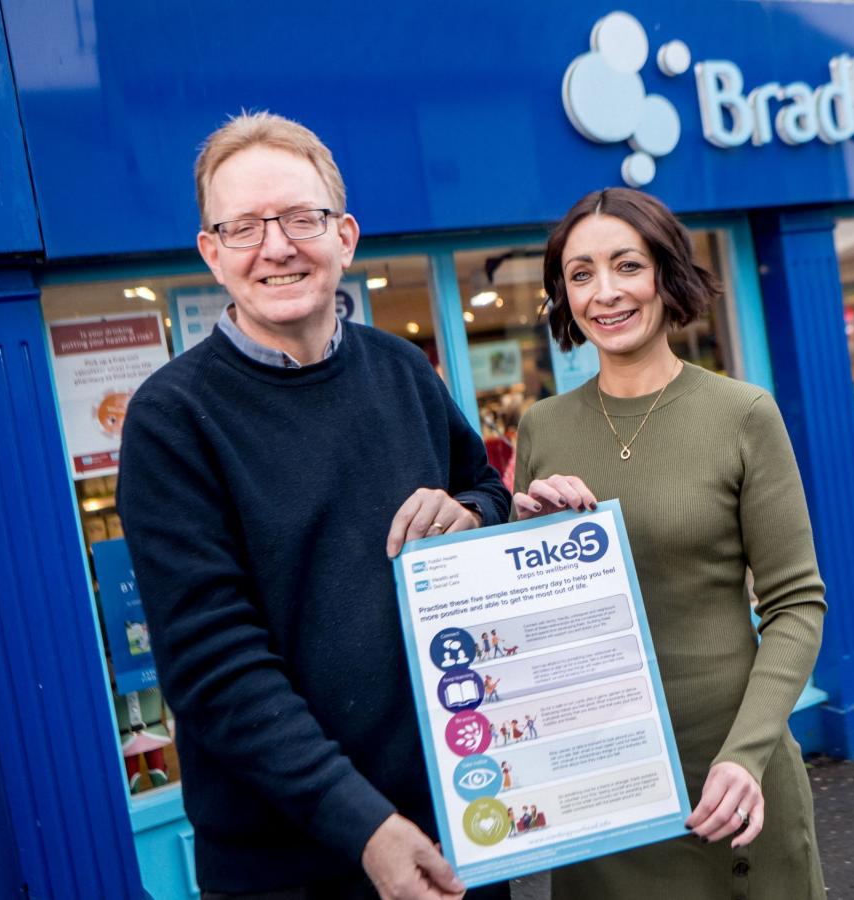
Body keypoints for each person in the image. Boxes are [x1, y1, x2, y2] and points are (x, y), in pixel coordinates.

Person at [117, 112, 510, 900]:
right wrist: (364, 825)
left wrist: (469, 514)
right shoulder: (171, 420)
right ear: (213, 253)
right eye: (245, 226)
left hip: (457, 821)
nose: (277, 245)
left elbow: (487, 491)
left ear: (346, 237)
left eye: (301, 218)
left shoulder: (404, 370)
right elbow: (214, 667)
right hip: (287, 869)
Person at [513, 187, 827, 898]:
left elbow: (797, 605)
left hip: (731, 781)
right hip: (600, 786)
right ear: (563, 295)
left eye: (627, 265)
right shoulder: (541, 428)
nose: (605, 293)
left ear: (666, 274)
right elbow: (529, 630)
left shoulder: (743, 414)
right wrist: (525, 537)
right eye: (581, 274)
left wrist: (746, 757)